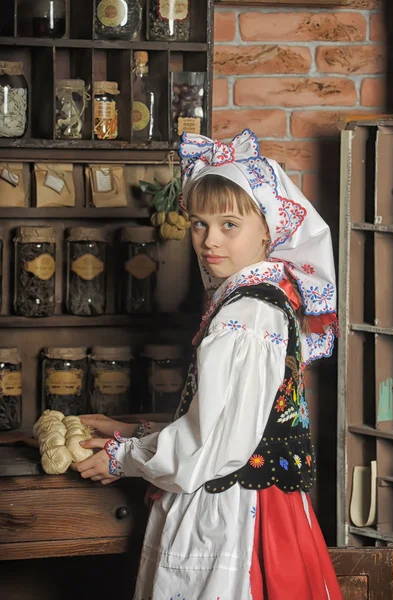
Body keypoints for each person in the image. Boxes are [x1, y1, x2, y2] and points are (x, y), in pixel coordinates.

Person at [73, 129, 342, 600]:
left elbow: (214, 448)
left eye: (229, 225)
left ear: (268, 228)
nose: (208, 240)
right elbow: (222, 422)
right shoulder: (257, 299)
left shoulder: (247, 315)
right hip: (261, 504)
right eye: (198, 223)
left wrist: (123, 459)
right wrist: (133, 429)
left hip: (236, 514)